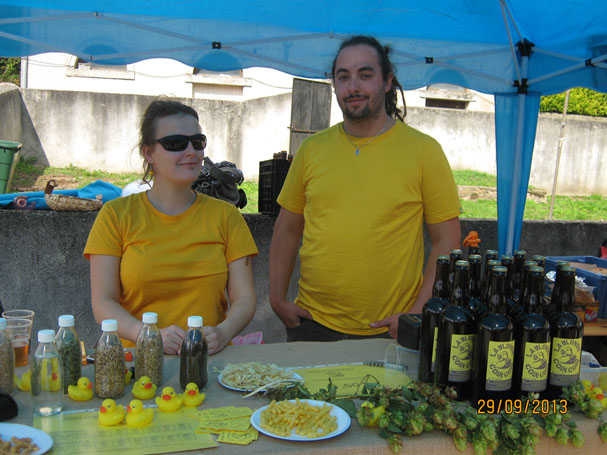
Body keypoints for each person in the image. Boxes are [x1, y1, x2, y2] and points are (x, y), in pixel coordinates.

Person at [269, 36, 461, 341]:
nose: (353, 86)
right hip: (311, 325)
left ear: (388, 81)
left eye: (365, 74)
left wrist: (418, 310)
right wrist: (277, 299)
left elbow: (447, 241)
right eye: (343, 76)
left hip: (390, 329)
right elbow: (287, 229)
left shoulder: (424, 151)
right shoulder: (311, 150)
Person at [84, 100, 258, 355]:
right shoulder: (116, 215)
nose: (191, 151)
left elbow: (244, 299)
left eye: (197, 142)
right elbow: (103, 302)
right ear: (149, 153)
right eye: (176, 143)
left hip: (209, 360)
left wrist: (223, 332)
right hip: (139, 364)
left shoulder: (226, 216)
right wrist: (146, 335)